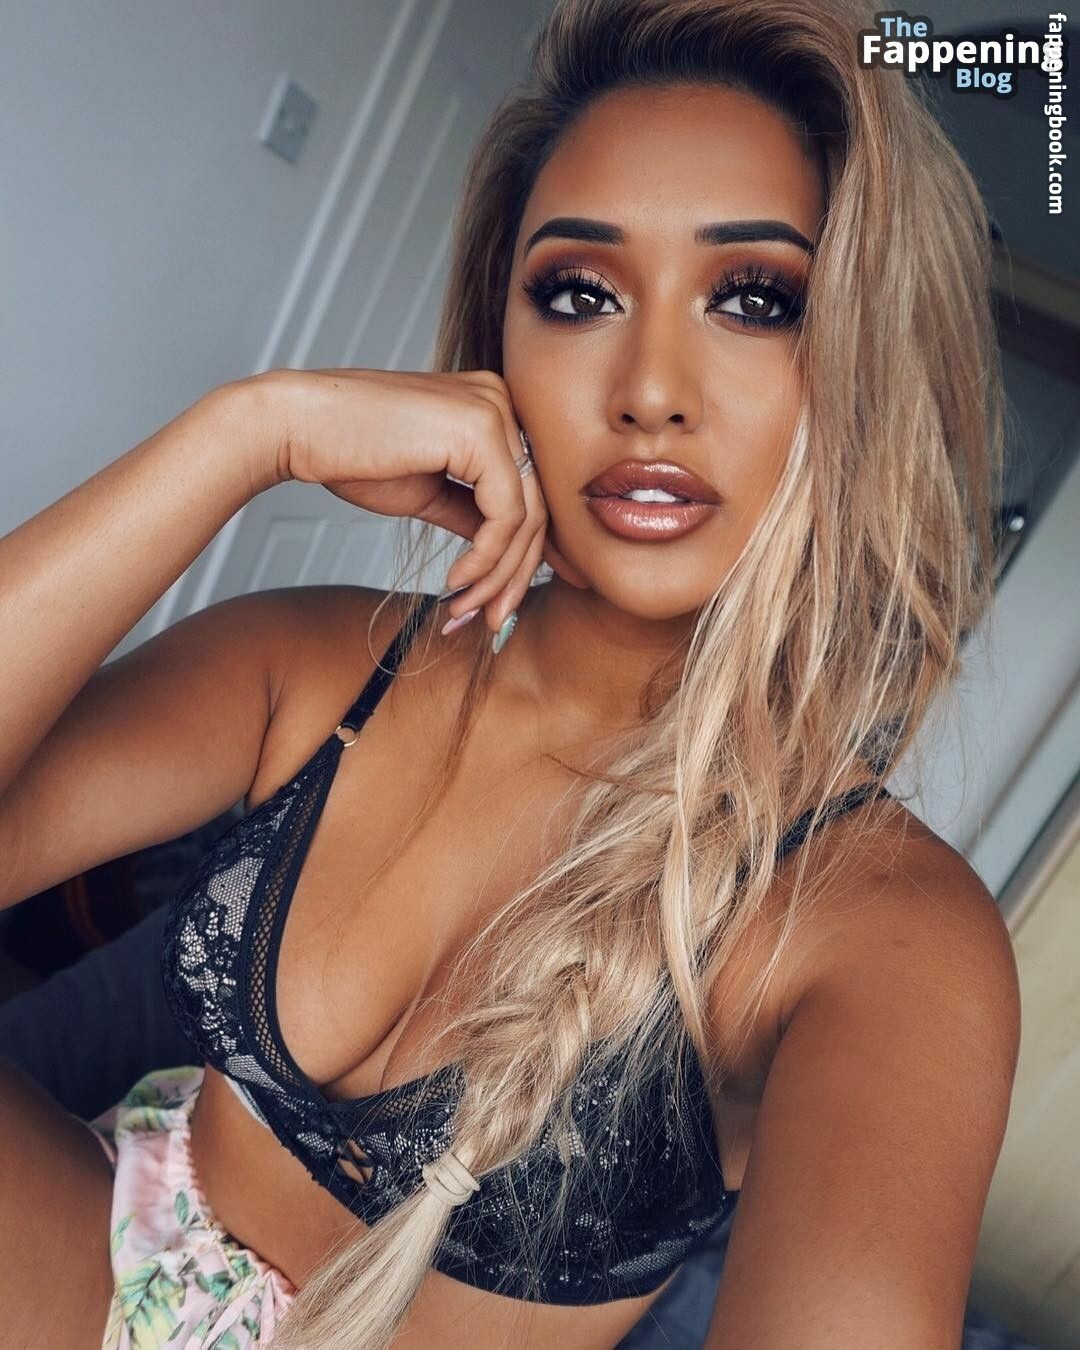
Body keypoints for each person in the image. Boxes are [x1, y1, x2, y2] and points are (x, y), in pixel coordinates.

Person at [0, 0, 1022, 1346]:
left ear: (868, 370)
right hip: (86, 1259)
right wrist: (248, 434)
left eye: (757, 299)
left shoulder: (879, 923)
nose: (649, 387)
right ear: (501, 345)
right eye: (580, 294)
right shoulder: (319, 665)